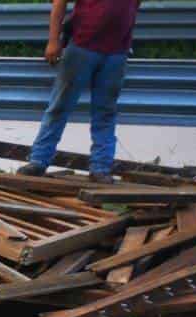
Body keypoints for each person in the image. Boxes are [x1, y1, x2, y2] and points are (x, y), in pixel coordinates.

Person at [19, 0, 140, 183]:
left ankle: (100, 168)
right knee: (60, 106)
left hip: (116, 52)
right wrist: (53, 41)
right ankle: (38, 160)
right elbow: (59, 4)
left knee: (105, 111)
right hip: (82, 47)